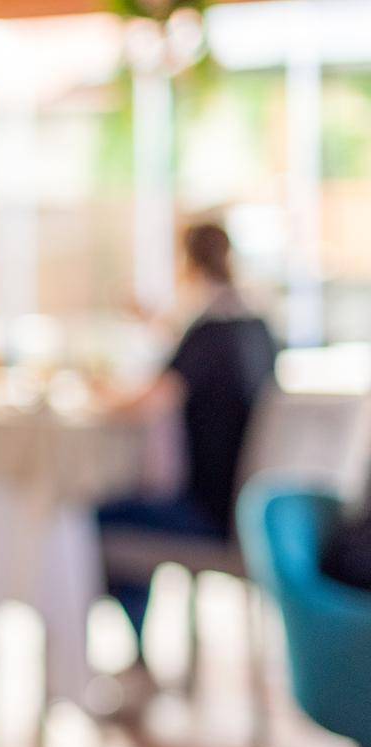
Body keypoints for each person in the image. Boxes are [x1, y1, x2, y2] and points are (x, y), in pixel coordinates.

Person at [97, 221, 278, 639]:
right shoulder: (257, 326)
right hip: (247, 508)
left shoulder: (209, 330)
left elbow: (150, 403)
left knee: (89, 516)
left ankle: (136, 651)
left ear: (186, 261)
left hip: (206, 511)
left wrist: (99, 398)